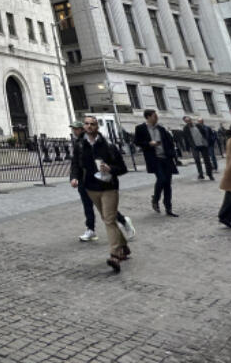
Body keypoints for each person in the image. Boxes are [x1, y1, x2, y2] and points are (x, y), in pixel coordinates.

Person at [70, 116, 130, 272]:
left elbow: (123, 168)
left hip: (109, 187)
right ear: (84, 127)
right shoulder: (80, 145)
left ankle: (115, 255)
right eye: (87, 124)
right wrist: (74, 178)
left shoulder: (108, 146)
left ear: (97, 126)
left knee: (109, 220)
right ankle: (124, 246)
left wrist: (111, 169)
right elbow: (75, 164)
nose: (89, 126)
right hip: (91, 188)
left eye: (92, 124)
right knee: (107, 218)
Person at [134, 109, 180, 217]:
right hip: (154, 158)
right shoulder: (141, 128)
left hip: (166, 158)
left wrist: (172, 154)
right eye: (154, 116)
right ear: (148, 117)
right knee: (161, 179)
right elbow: (137, 142)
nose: (156, 118)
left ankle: (168, 208)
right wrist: (149, 143)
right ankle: (155, 199)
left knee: (168, 183)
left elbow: (169, 141)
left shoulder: (161, 128)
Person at [181, 116, 214, 181]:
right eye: (186, 121)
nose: (188, 122)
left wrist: (206, 141)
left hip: (203, 145)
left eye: (189, 120)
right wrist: (187, 149)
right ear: (185, 122)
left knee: (207, 160)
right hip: (194, 146)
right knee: (197, 160)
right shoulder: (185, 128)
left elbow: (204, 133)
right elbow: (186, 139)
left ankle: (210, 174)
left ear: (191, 120)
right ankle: (201, 174)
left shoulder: (198, 125)